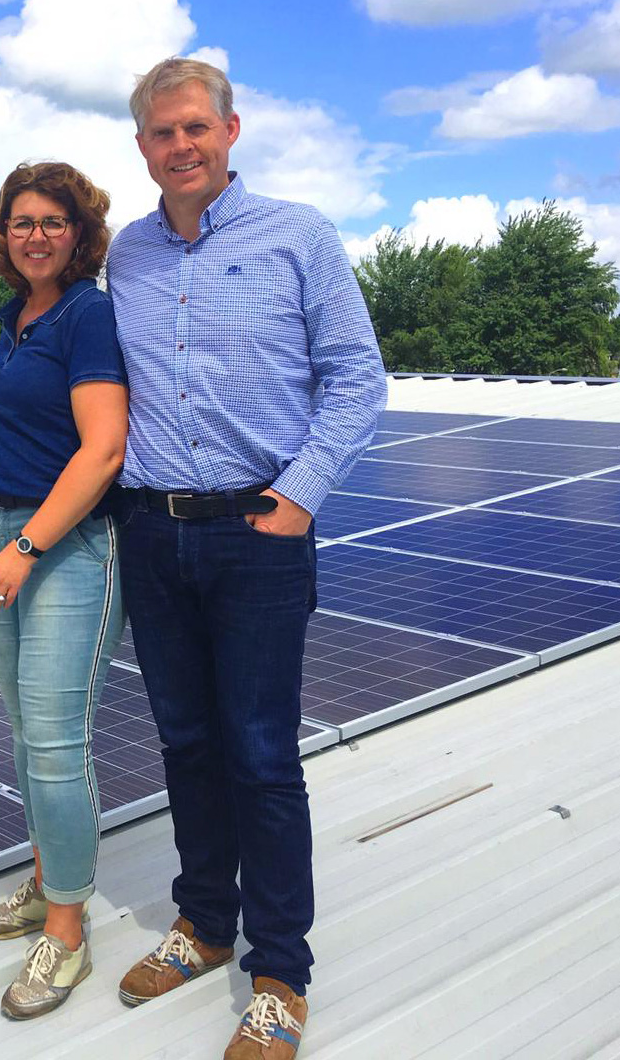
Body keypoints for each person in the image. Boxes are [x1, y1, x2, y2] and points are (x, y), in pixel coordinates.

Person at [107, 59, 386, 1058]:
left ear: (231, 131)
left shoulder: (299, 235)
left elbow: (357, 378)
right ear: (141, 146)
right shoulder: (127, 256)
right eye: (160, 133)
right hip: (151, 531)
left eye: (195, 128)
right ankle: (201, 922)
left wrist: (297, 496)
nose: (179, 146)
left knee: (261, 754)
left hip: (258, 533)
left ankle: (279, 975)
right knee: (185, 742)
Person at [0, 161, 128, 1021]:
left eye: (53, 222)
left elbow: (100, 451)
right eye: (21, 222)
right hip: (3, 531)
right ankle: (44, 877)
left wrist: (21, 543)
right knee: (24, 735)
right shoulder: (14, 316)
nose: (36, 236)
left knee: (57, 742)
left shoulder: (87, 315)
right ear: (4, 233)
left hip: (65, 551)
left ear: (81, 231)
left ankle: (67, 928)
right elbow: (18, 432)